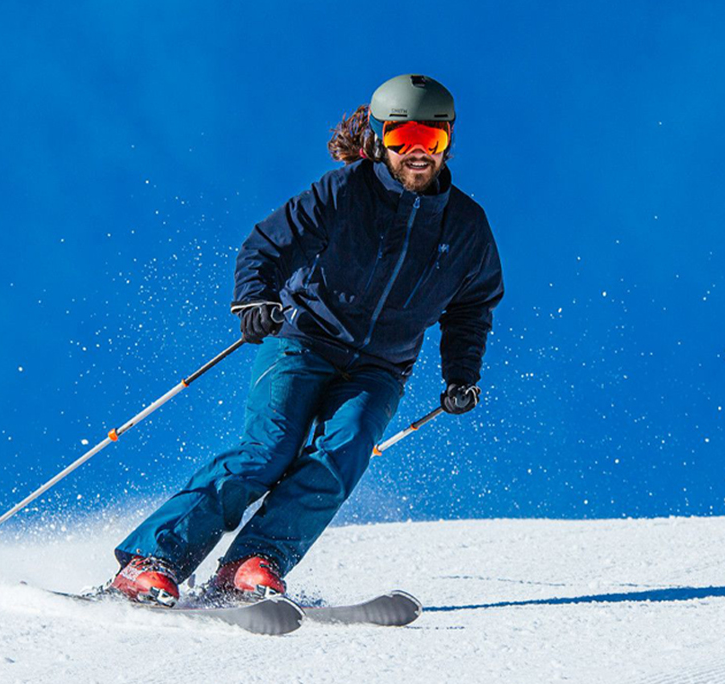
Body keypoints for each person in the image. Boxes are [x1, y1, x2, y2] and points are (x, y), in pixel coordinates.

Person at [110, 73, 504, 605]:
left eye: (430, 139)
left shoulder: (467, 228)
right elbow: (268, 243)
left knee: (343, 452)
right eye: (403, 138)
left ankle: (252, 563)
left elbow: (471, 307)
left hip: (380, 368)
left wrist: (462, 375)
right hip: (305, 339)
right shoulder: (346, 191)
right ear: (378, 139)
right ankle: (152, 560)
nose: (417, 152)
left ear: (448, 141)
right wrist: (255, 298)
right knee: (269, 450)